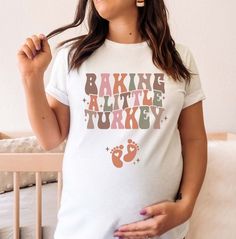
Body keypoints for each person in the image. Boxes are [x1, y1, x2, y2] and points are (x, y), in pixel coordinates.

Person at [17, 0, 208, 238]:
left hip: (160, 232)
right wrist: (31, 77)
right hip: (82, 230)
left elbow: (194, 139)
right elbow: (50, 138)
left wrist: (185, 207)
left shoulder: (179, 58)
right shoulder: (72, 57)